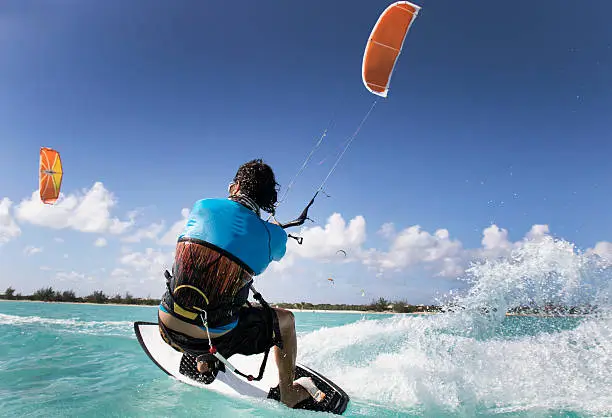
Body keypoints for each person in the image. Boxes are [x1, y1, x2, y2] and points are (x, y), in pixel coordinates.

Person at [157, 159, 312, 408]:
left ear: (234, 187)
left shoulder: (201, 206)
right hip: (216, 335)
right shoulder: (274, 235)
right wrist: (268, 230)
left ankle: (204, 362)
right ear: (266, 200)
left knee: (209, 289)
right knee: (286, 320)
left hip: (166, 326)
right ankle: (288, 393)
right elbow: (273, 257)